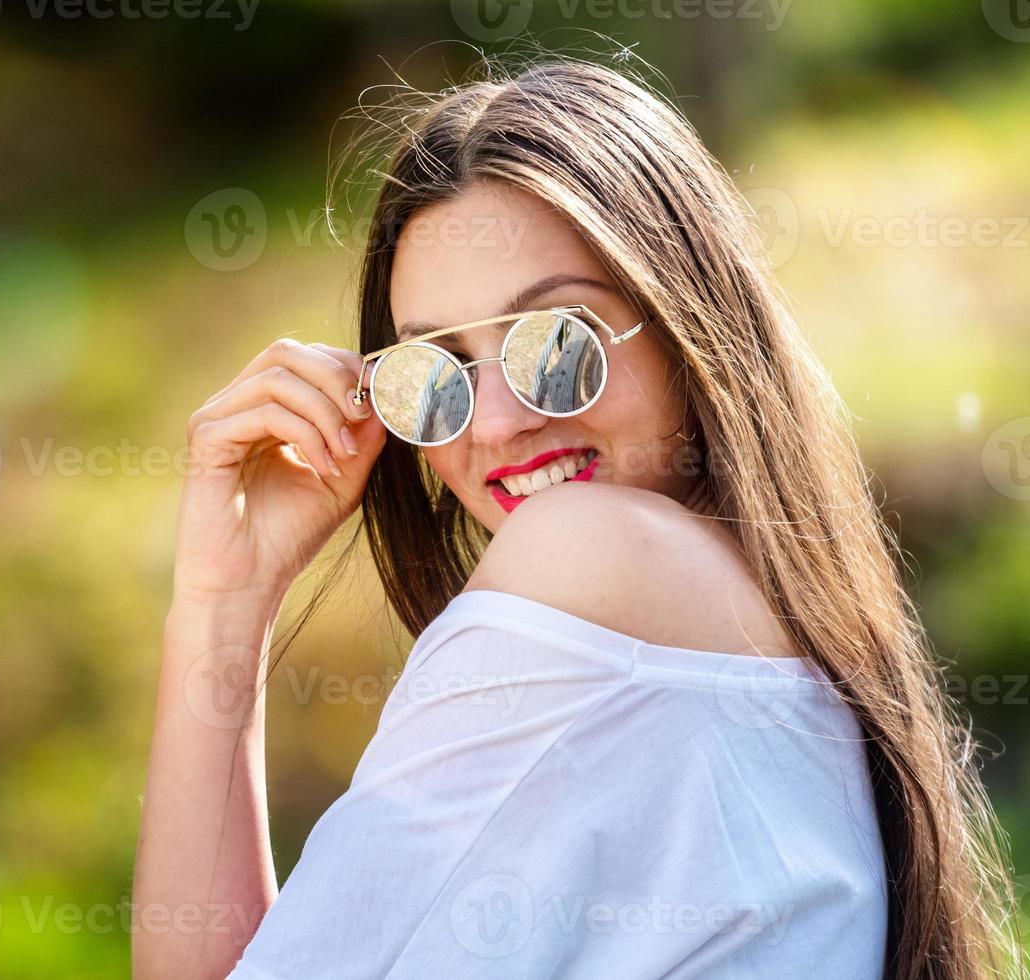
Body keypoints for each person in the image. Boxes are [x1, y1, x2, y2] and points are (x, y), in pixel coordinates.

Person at [133, 56, 1018, 979]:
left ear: (690, 322)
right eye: (434, 371)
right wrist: (226, 599)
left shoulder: (592, 560)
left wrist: (218, 613)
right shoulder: (785, 638)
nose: (502, 421)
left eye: (557, 341)